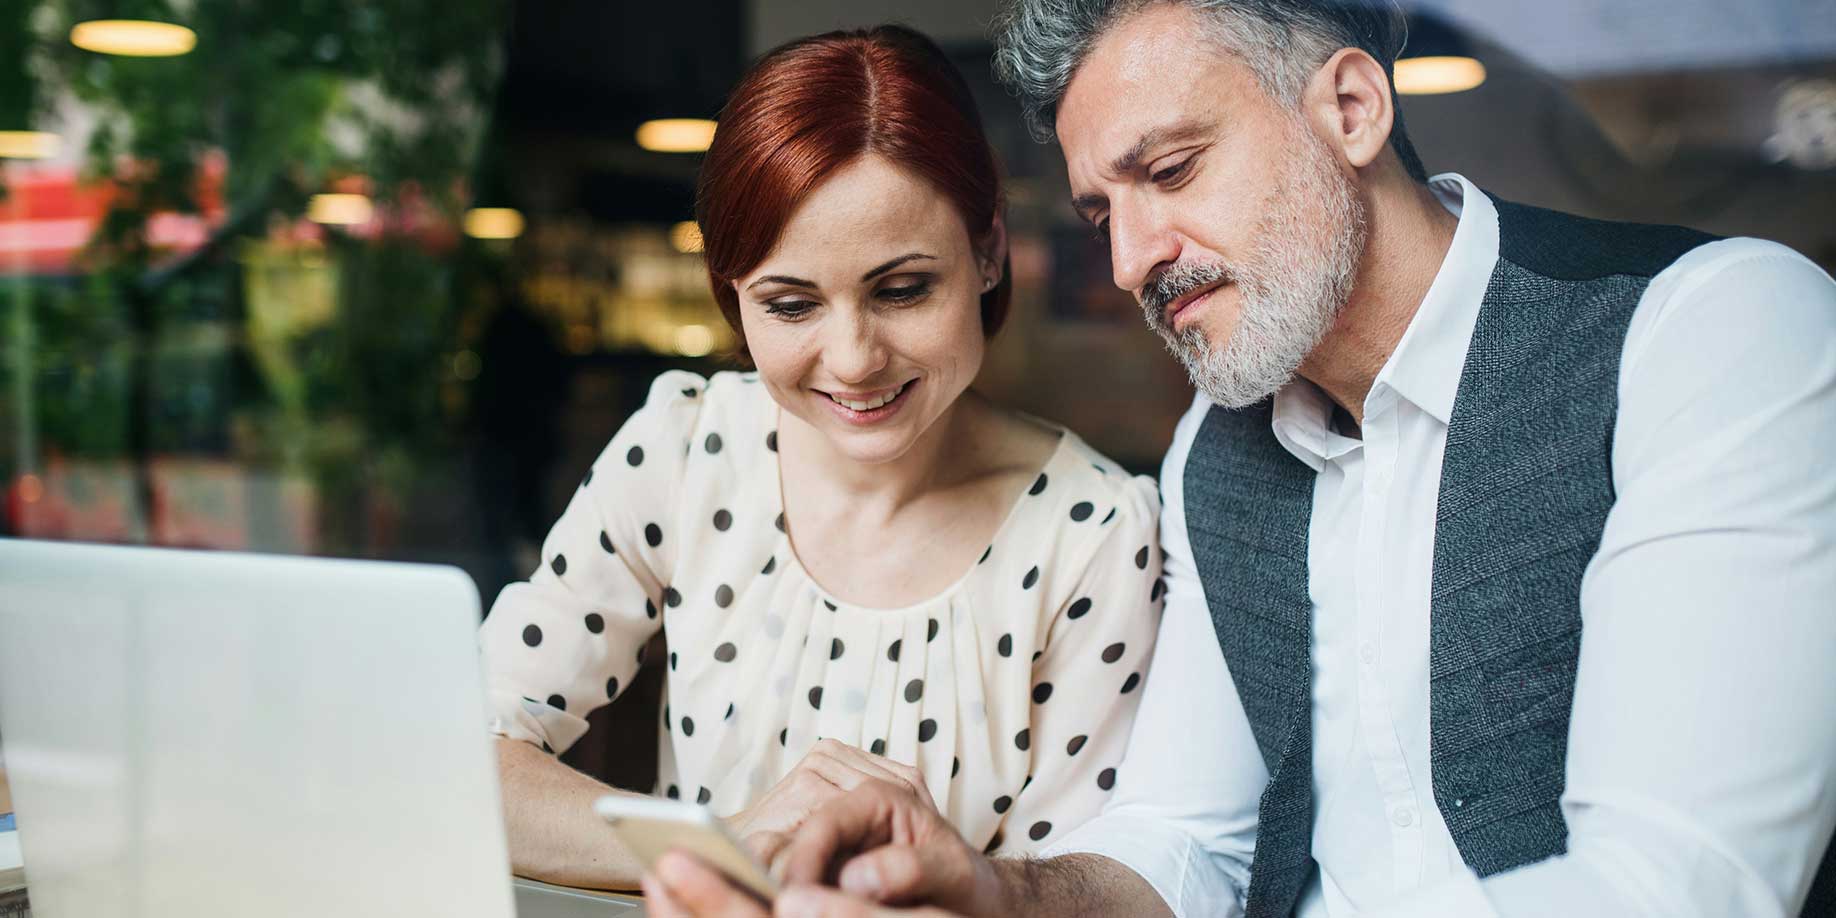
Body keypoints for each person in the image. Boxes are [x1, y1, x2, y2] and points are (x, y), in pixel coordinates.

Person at [644, 1, 1836, 916]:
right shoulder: (1219, 450)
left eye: (1169, 172)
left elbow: (1676, 889)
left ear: (1353, 110)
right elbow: (1182, 847)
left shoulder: (1710, 334)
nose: (1129, 259)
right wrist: (996, 892)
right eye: (1104, 208)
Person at [476, 24, 1165, 891]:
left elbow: (1068, 892)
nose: (854, 359)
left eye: (903, 289)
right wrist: (727, 844)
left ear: (989, 252)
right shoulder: (686, 450)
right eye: (792, 304)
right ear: (734, 296)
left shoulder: (1094, 537)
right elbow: (466, 758)